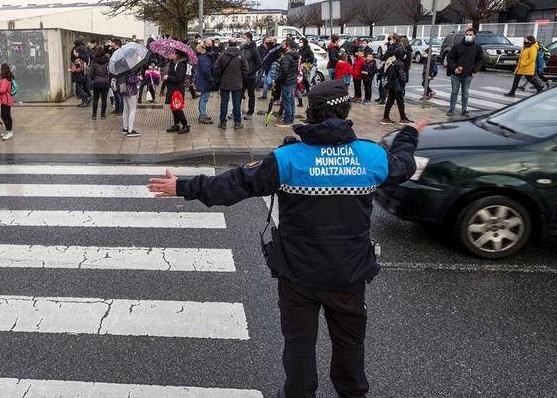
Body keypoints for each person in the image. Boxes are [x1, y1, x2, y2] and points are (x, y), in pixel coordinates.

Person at [148, 80, 427, 398]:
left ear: (311, 112)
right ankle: (352, 393)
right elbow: (403, 167)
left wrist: (184, 187)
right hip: (349, 273)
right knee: (350, 343)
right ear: (347, 110)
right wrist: (408, 135)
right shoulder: (372, 156)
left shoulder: (287, 159)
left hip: (298, 275)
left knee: (299, 344)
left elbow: (236, 184)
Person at [445, 28, 483, 117]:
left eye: (470, 35)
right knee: (454, 91)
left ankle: (464, 110)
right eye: (467, 34)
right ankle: (451, 110)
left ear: (474, 36)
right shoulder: (457, 46)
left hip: (468, 74)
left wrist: (474, 70)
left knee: (465, 92)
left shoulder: (477, 47)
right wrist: (454, 67)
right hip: (456, 74)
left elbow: (480, 60)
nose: (468, 36)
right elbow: (450, 57)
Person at [381, 43, 412, 125]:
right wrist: (404, 82)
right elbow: (402, 76)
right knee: (400, 102)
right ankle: (403, 118)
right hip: (397, 86)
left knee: (390, 101)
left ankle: (385, 117)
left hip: (391, 85)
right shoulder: (400, 64)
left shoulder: (393, 61)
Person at [164, 50, 190, 134]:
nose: (171, 54)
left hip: (177, 89)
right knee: (174, 108)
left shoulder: (181, 64)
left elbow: (179, 78)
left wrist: (168, 77)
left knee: (177, 108)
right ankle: (176, 124)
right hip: (173, 88)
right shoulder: (174, 62)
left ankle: (185, 125)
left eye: (173, 53)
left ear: (178, 55)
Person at [276, 41, 300, 128]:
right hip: (292, 81)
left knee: (287, 101)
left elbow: (284, 71)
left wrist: (278, 79)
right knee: (291, 101)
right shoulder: (295, 56)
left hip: (287, 82)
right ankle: (291, 118)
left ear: (288, 47)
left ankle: (287, 120)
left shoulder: (287, 57)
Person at [240, 32, 263, 119]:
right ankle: (236, 112)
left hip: (250, 77)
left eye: (244, 38)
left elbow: (259, 64)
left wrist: (250, 72)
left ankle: (250, 112)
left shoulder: (254, 49)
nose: (243, 40)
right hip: (241, 76)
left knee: (251, 95)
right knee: (239, 94)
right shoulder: (242, 48)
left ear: (249, 39)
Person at [194, 42, 216, 124]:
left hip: (202, 80)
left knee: (203, 98)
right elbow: (206, 70)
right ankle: (202, 116)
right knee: (204, 98)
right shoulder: (203, 57)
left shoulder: (202, 57)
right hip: (205, 81)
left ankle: (203, 114)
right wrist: (211, 80)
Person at [0, 63, 15, 140]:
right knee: (7, 115)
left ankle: (9, 131)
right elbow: (1, 87)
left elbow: (2, 89)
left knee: (4, 116)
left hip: (6, 101)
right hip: (7, 100)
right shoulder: (6, 79)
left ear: (3, 70)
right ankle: (9, 131)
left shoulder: (5, 80)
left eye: (0, 68)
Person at [87, 47, 110, 120]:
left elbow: (90, 74)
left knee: (95, 99)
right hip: (105, 82)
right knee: (104, 99)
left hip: (96, 83)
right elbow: (110, 71)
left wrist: (94, 78)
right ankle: (102, 115)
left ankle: (94, 115)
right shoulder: (107, 61)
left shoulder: (94, 61)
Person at [120, 68, 141, 137]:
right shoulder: (129, 68)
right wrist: (138, 78)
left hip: (124, 89)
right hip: (130, 91)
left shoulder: (122, 67)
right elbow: (131, 80)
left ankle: (125, 128)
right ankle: (130, 130)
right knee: (133, 110)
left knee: (126, 109)